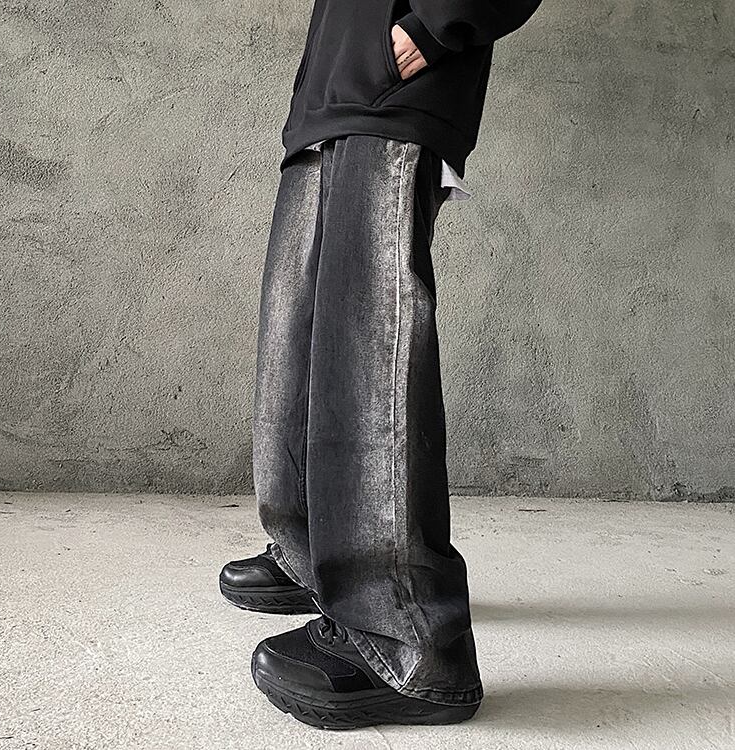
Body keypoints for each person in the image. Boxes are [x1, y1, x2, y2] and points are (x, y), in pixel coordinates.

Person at [219, 0, 543, 730]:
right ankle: (312, 554)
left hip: (394, 91)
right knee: (301, 342)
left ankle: (407, 639)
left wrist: (430, 26)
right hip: (330, 97)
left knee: (370, 354)